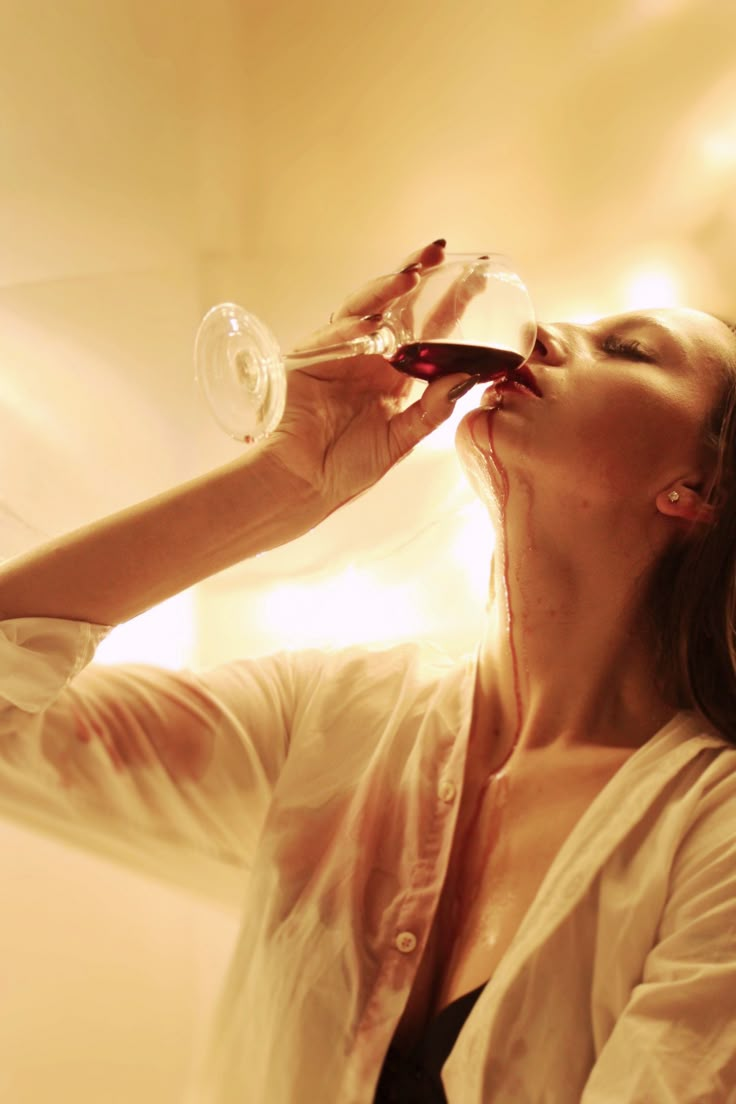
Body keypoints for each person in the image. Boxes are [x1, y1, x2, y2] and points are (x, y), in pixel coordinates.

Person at [0, 239, 735, 1104]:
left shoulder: (713, 836)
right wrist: (284, 480)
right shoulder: (337, 715)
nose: (542, 335)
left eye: (627, 348)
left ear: (699, 488)